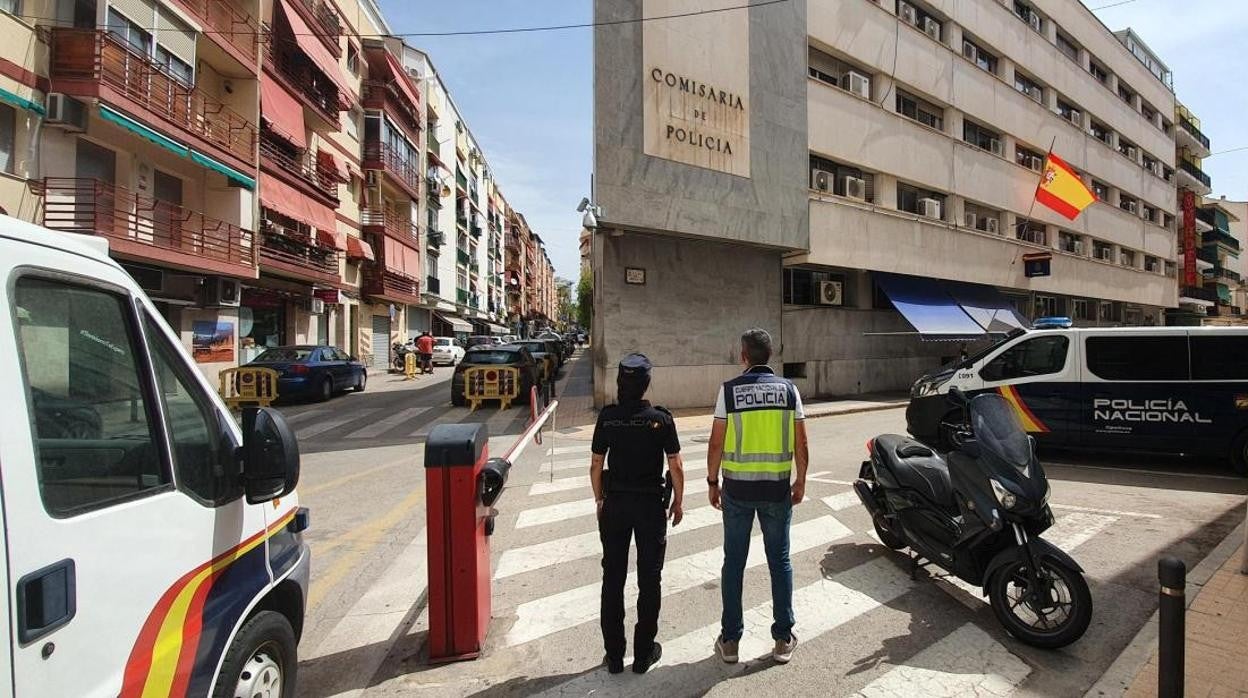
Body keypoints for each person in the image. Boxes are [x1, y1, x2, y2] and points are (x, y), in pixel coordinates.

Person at [707, 328, 809, 665]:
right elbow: (801, 443)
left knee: (733, 563)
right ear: (770, 355)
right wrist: (801, 481)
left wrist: (712, 481)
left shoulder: (729, 391)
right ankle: (783, 638)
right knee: (779, 562)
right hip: (777, 490)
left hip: (736, 491)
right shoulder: (789, 390)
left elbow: (716, 443)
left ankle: (731, 641)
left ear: (744, 356)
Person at [590, 353, 685, 675]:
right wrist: (679, 502)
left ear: (620, 382)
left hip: (615, 504)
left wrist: (599, 500)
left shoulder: (608, 417)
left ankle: (614, 656)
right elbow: (676, 465)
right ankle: (643, 654)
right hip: (649, 507)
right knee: (650, 579)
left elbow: (595, 464)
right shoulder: (660, 419)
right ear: (646, 383)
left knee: (612, 578)